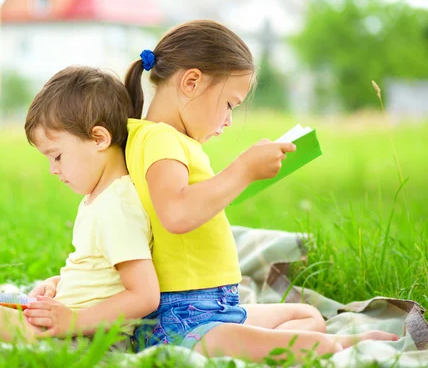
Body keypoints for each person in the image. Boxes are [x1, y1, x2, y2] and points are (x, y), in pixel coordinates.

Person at [123, 19, 398, 361]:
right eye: (229, 105)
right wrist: (242, 169)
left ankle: (258, 348)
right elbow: (176, 213)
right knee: (305, 340)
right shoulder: (159, 138)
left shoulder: (165, 140)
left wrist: (246, 176)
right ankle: (325, 349)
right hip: (182, 321)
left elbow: (187, 201)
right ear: (191, 82)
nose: (228, 121)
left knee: (307, 317)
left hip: (214, 309)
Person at [0, 66, 160, 343]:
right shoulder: (100, 199)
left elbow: (145, 295)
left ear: (99, 139)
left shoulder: (118, 208)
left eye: (56, 156)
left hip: (95, 337)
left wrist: (74, 321)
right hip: (76, 326)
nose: (52, 170)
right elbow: (100, 274)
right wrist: (58, 285)